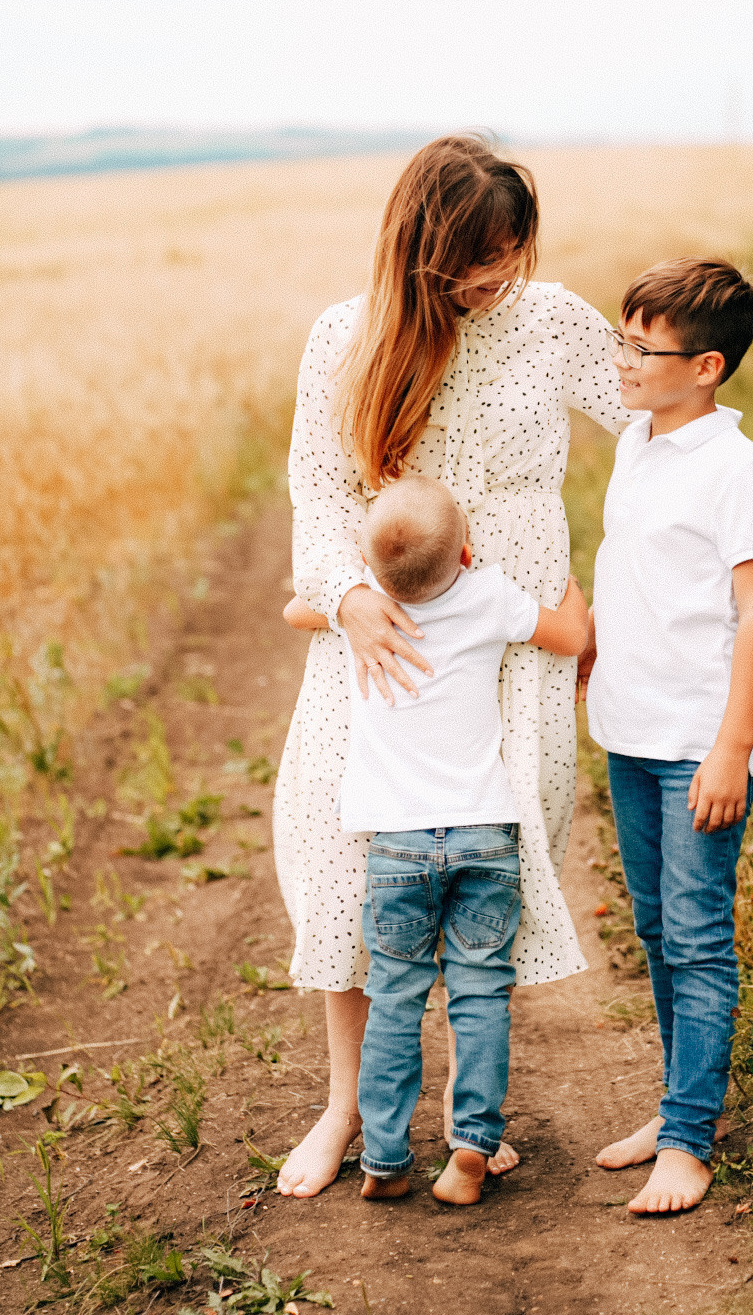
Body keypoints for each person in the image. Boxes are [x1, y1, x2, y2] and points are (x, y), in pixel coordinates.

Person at [273, 135, 626, 1198]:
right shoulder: (348, 336)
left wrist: (649, 563)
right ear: (425, 250)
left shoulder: (554, 317)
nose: (497, 278)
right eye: (478, 258)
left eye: (512, 253)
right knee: (343, 847)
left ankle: (473, 1117)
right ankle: (346, 1105)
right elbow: (320, 487)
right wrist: (344, 597)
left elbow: (652, 413)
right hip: (388, 624)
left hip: (515, 627)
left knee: (499, 849)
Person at [286, 475, 589, 1204]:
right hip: (485, 833)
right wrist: (566, 578)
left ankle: (386, 1159)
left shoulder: (367, 603)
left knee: (393, 996)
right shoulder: (487, 596)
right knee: (481, 994)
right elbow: (571, 633)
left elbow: (298, 607)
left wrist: (347, 587)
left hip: (396, 848)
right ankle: (469, 1149)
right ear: (465, 547)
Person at [579, 257, 753, 1217]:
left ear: (706, 366)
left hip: (698, 742)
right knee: (659, 931)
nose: (621, 360)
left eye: (641, 347)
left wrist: (731, 746)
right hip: (630, 729)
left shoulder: (734, 469)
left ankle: (691, 1144)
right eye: (623, 337)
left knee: (698, 938)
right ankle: (678, 1111)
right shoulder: (637, 442)